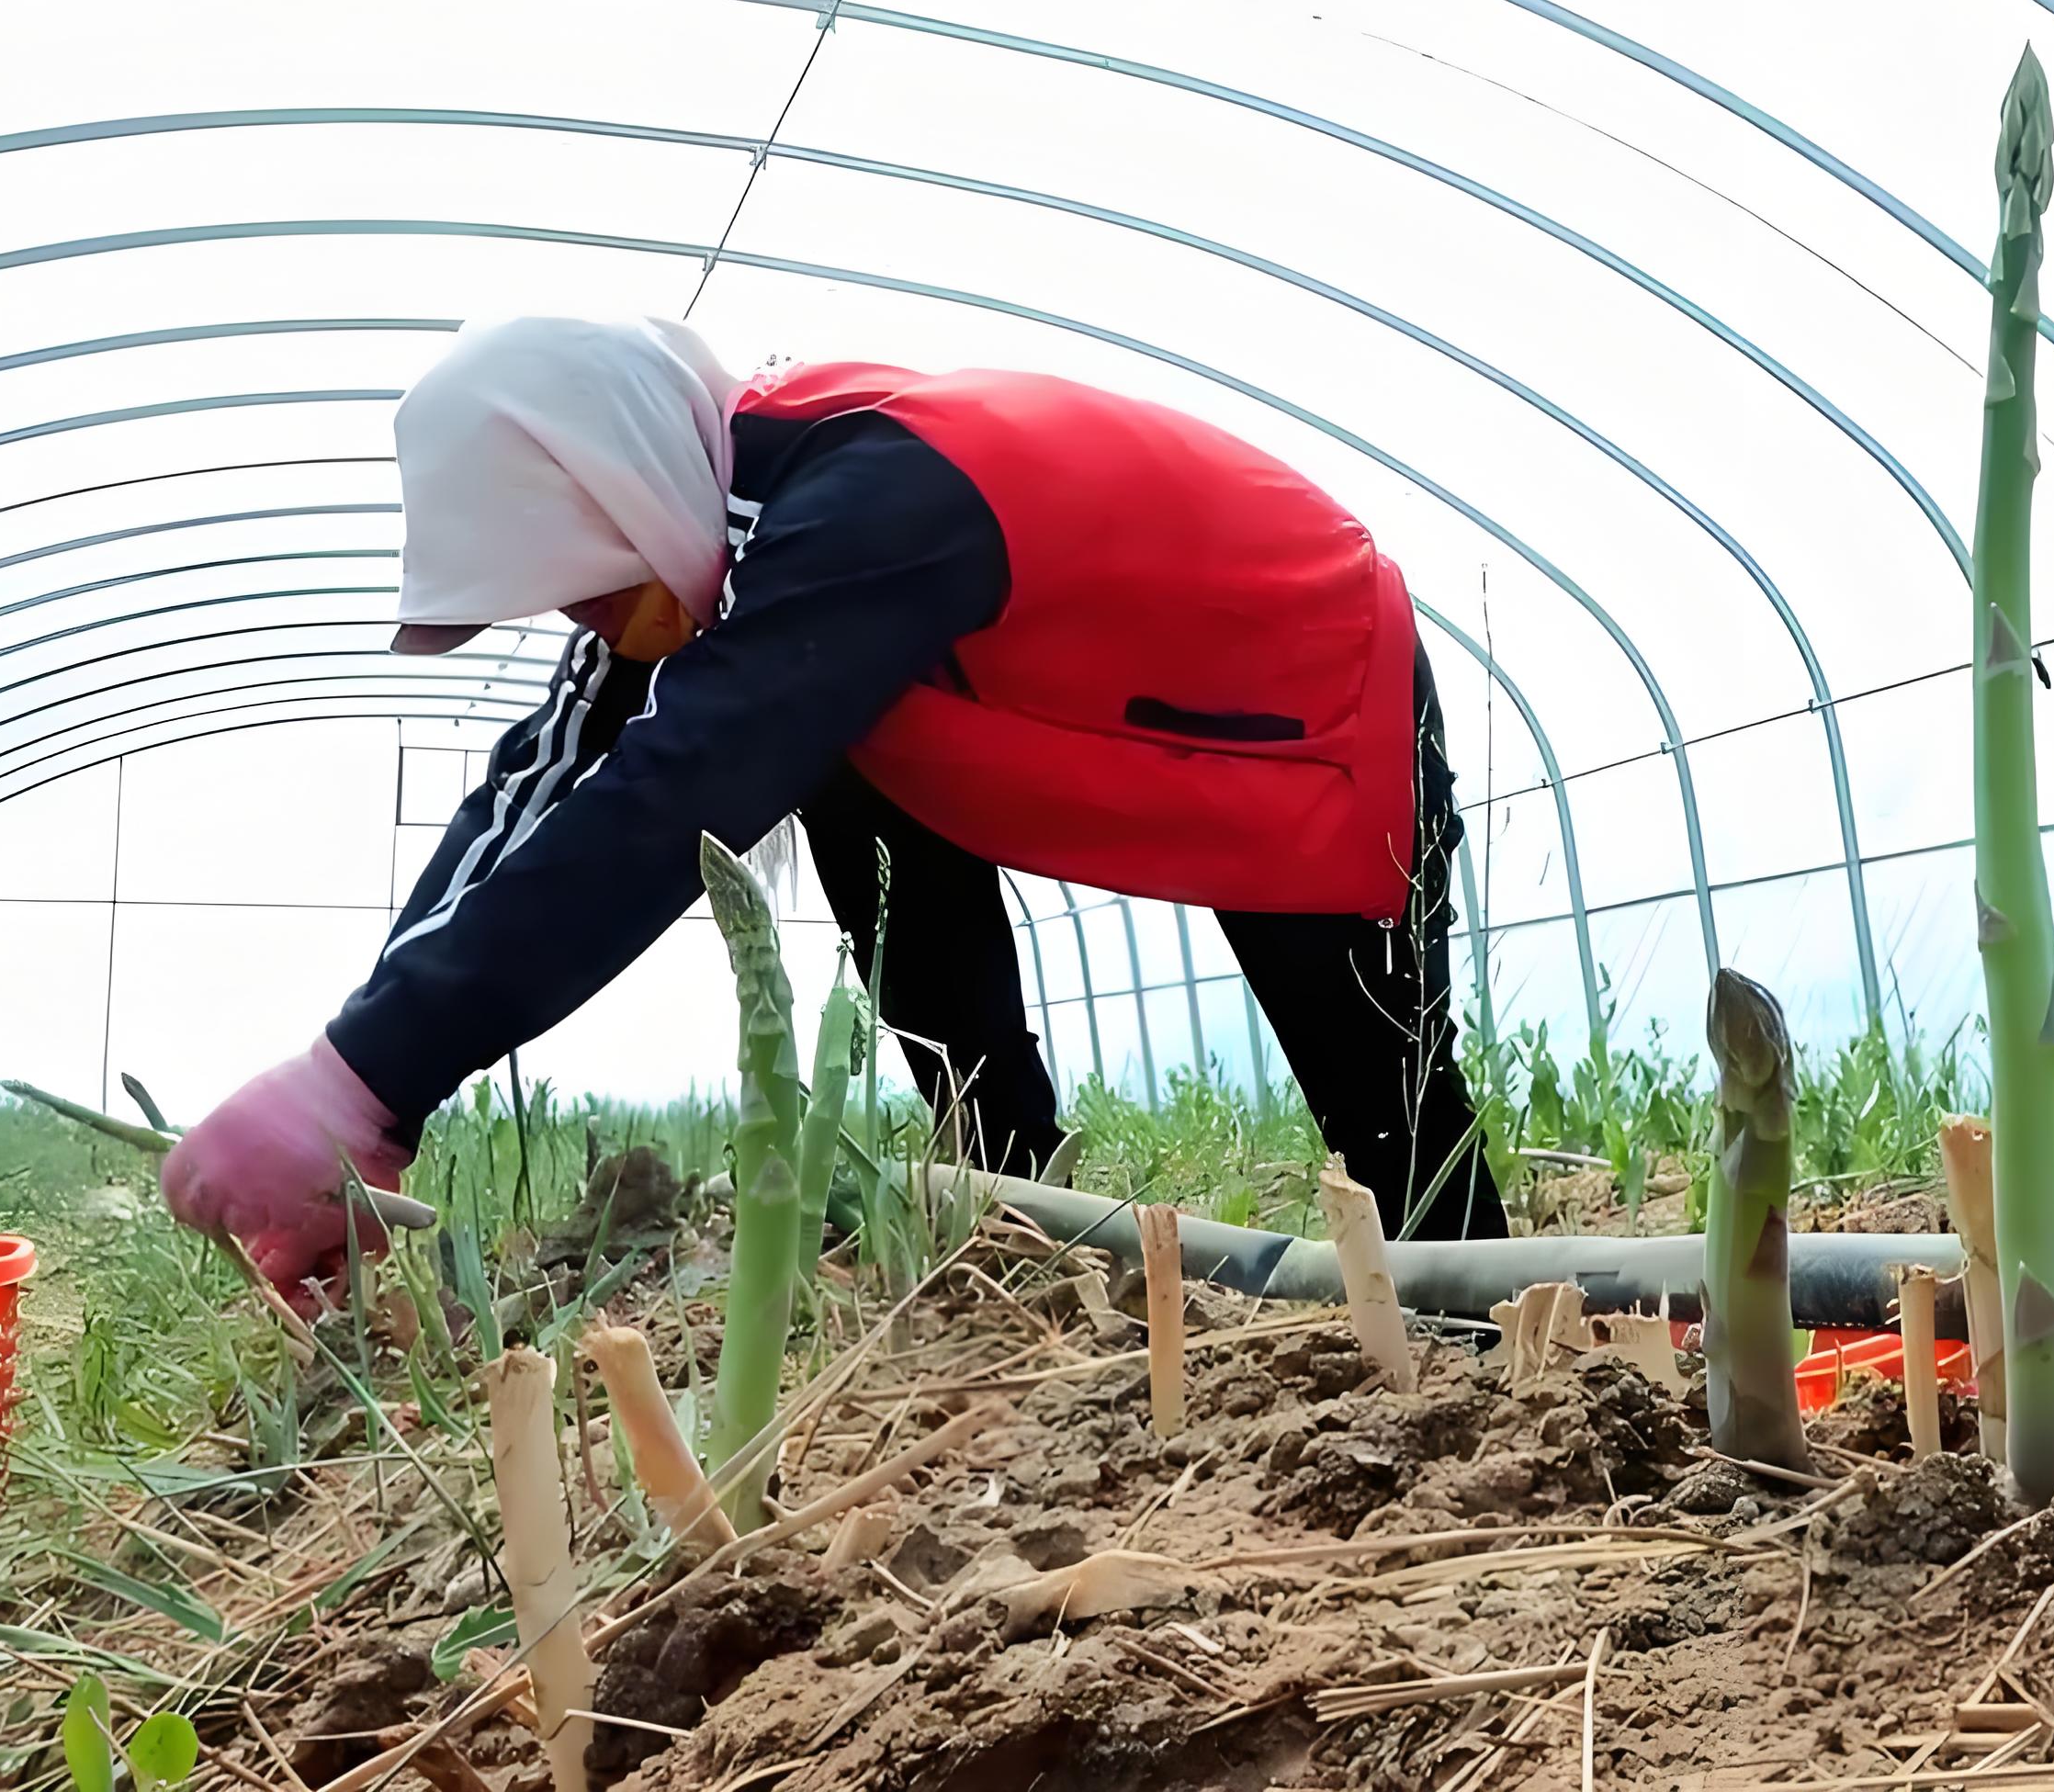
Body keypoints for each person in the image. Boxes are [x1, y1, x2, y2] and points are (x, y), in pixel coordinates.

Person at [161, 315, 1507, 1305]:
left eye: (585, 590)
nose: (587, 629)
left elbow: (673, 795)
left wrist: (367, 1074)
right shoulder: (720, 544)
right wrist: (357, 1085)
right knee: (834, 756)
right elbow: (550, 784)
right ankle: (1021, 1202)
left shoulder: (872, 496)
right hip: (1052, 705)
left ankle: (1499, 1327)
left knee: (1388, 1105)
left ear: (623, 482)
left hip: (1294, 693)